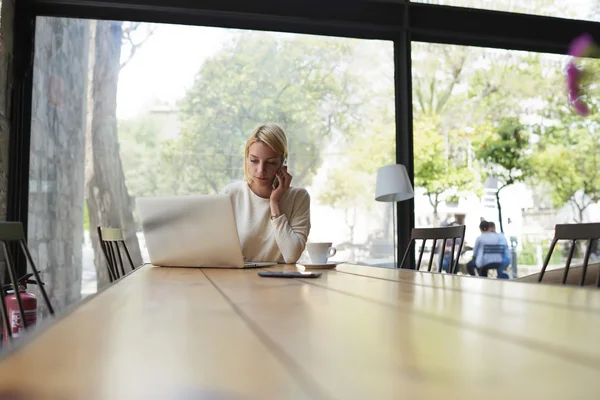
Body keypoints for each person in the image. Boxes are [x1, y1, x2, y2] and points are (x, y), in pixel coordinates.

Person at [222, 123, 311, 264]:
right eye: (254, 161)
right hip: (238, 281)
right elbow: (216, 248)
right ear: (246, 158)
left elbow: (291, 256)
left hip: (281, 282)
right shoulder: (231, 194)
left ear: (283, 163)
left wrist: (274, 203)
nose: (261, 170)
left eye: (270, 162)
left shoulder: (299, 198)